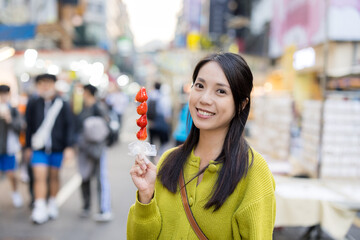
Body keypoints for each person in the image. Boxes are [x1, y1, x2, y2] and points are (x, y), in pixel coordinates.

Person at [127, 53, 276, 239]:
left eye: (221, 91)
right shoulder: (168, 161)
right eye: (199, 86)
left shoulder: (253, 172)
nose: (205, 99)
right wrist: (146, 196)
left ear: (242, 104)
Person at [25, 74, 75, 224]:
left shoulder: (63, 103)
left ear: (54, 85)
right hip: (38, 148)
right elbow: (29, 127)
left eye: (47, 83)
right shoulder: (33, 103)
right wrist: (27, 147)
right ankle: (39, 207)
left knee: (54, 176)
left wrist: (69, 147)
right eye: (41, 83)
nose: (44, 86)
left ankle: (52, 202)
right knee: (39, 176)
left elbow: (70, 126)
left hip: (57, 148)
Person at [75, 84, 113, 222]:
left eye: (83, 92)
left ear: (87, 92)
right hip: (84, 149)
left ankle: (104, 209)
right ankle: (86, 206)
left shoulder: (98, 107)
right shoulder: (83, 107)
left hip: (98, 148)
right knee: (84, 176)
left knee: (100, 178)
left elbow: (107, 126)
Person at [0, 84, 23, 208]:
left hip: (9, 148)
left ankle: (15, 193)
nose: (3, 97)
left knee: (11, 174)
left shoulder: (13, 110)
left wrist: (9, 119)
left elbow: (20, 127)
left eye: (5, 94)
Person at [147, 82, 172, 157]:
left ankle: (152, 156)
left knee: (152, 140)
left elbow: (147, 108)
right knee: (163, 140)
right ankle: (160, 155)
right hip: (161, 121)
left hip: (152, 121)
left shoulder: (151, 95)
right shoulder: (164, 97)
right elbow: (167, 111)